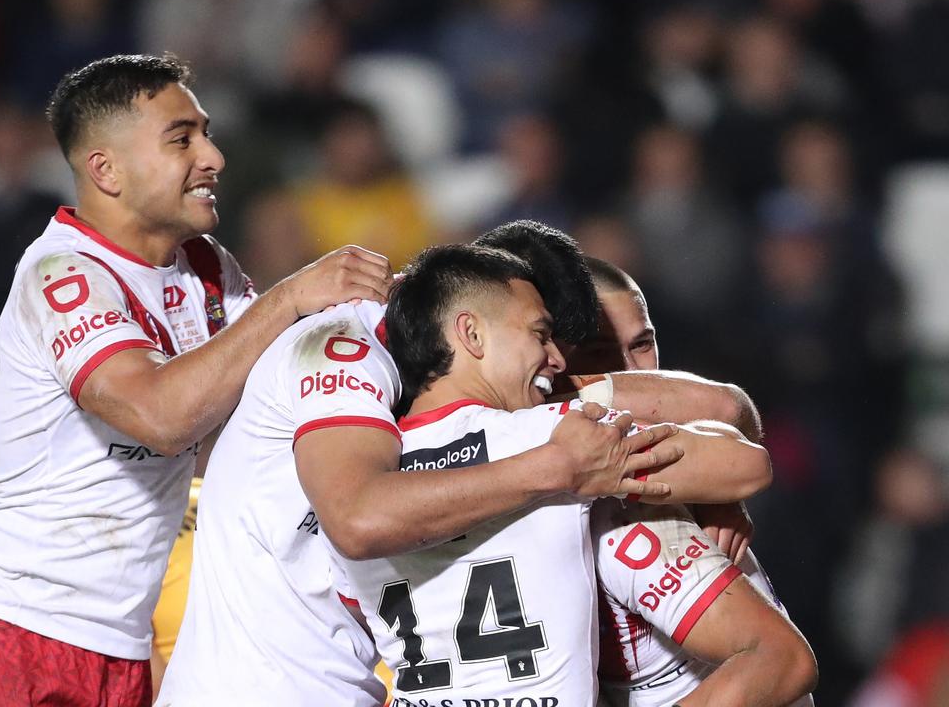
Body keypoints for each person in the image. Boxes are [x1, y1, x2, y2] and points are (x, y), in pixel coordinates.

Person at [0, 54, 392, 706]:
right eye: (182, 139)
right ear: (106, 169)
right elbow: (160, 417)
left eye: (207, 134)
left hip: (123, 653)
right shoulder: (63, 278)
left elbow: (284, 370)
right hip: (10, 639)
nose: (212, 157)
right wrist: (291, 295)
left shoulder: (202, 268)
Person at [160, 220, 756, 704]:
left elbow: (730, 408)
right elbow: (357, 519)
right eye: (541, 334)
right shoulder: (345, 350)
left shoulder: (459, 408)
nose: (552, 363)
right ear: (479, 319)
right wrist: (556, 466)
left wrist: (714, 496)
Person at [330, 244, 770, 704]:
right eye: (539, 335)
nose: (557, 360)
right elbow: (746, 463)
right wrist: (713, 492)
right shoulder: (554, 435)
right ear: (472, 334)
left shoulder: (351, 487)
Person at [570, 257, 817, 706]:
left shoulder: (640, 460)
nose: (630, 367)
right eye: (599, 348)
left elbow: (736, 424)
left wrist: (717, 493)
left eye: (643, 344)